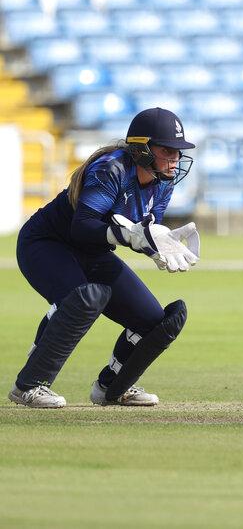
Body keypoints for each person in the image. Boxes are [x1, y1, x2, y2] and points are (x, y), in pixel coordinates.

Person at [8, 107, 201, 409]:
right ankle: (29, 385)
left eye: (178, 152)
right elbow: (83, 226)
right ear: (142, 149)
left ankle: (113, 386)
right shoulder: (110, 169)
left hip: (92, 251)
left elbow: (138, 229)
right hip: (46, 244)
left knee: (154, 321)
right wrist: (130, 236)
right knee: (83, 298)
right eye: (167, 150)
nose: (175, 159)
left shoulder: (163, 182)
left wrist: (155, 242)